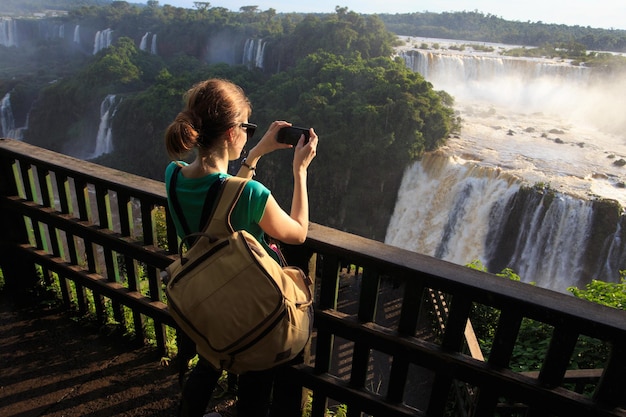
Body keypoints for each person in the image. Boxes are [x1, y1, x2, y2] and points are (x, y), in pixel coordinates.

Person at [163, 78, 318, 417]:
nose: (250, 133)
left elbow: (223, 200)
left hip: (203, 299)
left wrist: (256, 153)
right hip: (247, 308)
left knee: (207, 363)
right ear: (232, 133)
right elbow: (297, 234)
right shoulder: (252, 195)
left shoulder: (172, 176)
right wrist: (300, 171)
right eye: (247, 127)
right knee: (256, 384)